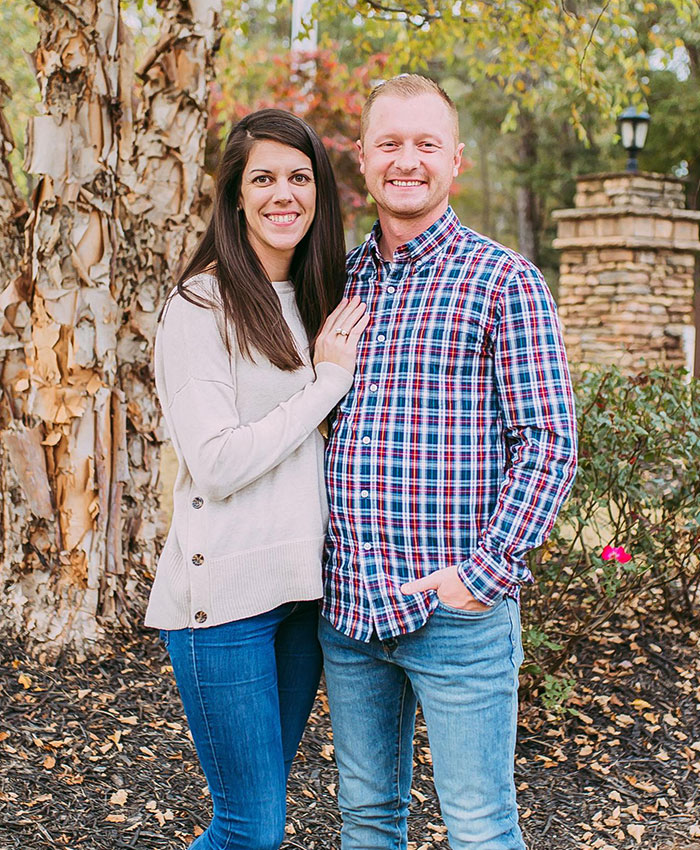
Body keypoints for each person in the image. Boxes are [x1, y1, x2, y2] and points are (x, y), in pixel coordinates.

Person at [320, 75, 578, 850]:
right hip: (350, 610)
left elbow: (549, 441)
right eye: (390, 144)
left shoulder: (504, 281)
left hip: (456, 616)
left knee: (479, 828)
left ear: (455, 159)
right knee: (367, 818)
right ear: (362, 157)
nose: (407, 160)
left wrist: (483, 575)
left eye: (426, 144)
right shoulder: (335, 281)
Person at [145, 108, 369, 850]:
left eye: (300, 177)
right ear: (236, 195)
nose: (284, 194)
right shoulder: (200, 307)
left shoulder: (318, 298)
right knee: (251, 828)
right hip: (225, 606)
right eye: (263, 178)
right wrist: (325, 383)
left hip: (303, 598)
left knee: (254, 816)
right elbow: (216, 462)